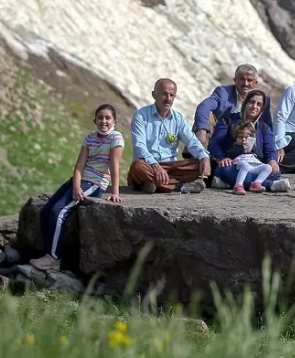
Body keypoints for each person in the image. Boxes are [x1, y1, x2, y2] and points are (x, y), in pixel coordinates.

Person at [30, 104, 124, 271]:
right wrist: (76, 186)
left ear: (114, 121)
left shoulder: (116, 138)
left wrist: (115, 192)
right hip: (80, 180)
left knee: (59, 212)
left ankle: (53, 259)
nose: (104, 121)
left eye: (107, 118)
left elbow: (114, 166)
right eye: (100, 117)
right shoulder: (89, 138)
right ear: (95, 120)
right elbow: (79, 165)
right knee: (46, 211)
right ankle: (47, 252)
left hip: (94, 182)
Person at [128, 78, 211, 193]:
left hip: (171, 167)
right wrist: (154, 165)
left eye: (172, 95)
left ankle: (152, 185)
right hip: (149, 165)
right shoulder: (141, 116)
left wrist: (204, 157)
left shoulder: (178, 118)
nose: (168, 99)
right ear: (154, 95)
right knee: (137, 167)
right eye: (164, 94)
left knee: (198, 165)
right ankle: (180, 186)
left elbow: (192, 141)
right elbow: (139, 146)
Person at [209, 89, 289, 192]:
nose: (255, 106)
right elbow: (214, 144)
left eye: (259, 104)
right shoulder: (227, 121)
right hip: (232, 164)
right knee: (225, 170)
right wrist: (222, 158)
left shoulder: (264, 128)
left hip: (254, 164)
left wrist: (272, 160)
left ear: (262, 108)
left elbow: (270, 150)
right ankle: (269, 184)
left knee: (275, 172)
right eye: (251, 102)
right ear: (245, 103)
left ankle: (233, 182)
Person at [193, 64, 273, 147]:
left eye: (249, 80)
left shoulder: (261, 100)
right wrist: (202, 129)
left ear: (255, 83)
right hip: (221, 132)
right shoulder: (223, 93)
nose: (245, 83)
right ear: (235, 81)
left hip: (245, 137)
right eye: (242, 79)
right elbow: (204, 106)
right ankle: (196, 155)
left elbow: (268, 126)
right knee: (209, 118)